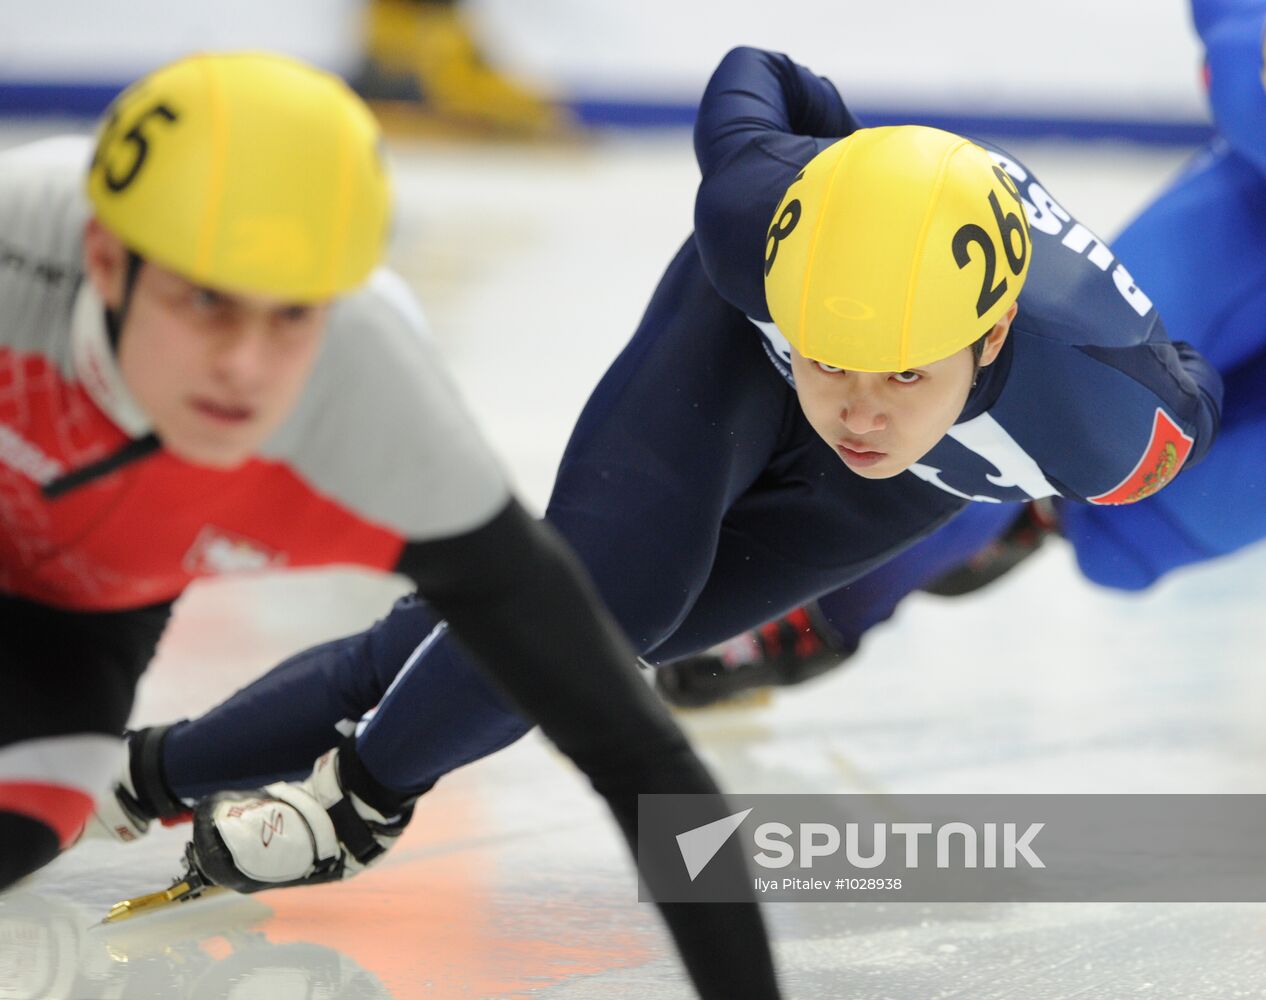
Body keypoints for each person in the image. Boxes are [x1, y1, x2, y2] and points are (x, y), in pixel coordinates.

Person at [98, 46, 1220, 896]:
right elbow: (761, 73)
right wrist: (844, 160)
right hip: (729, 350)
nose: (858, 410)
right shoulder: (755, 216)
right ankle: (362, 806)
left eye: (901, 377)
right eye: (831, 360)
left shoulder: (1112, 428)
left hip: (922, 481)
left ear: (988, 339)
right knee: (592, 604)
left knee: (495, 639)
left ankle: (153, 770)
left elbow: (1206, 387)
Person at [0, 50, 781, 1000]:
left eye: (294, 313)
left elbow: (635, 753)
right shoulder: (14, 247)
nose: (244, 365)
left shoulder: (379, 405)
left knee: (19, 830)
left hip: (85, 607)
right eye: (205, 299)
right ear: (106, 261)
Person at [658, 0, 1266, 708]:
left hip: (1260, 175)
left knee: (1128, 546)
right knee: (1042, 417)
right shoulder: (1259, 84)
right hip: (1265, 195)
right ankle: (875, 579)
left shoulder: (1254, 72)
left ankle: (1024, 514)